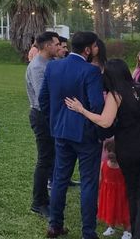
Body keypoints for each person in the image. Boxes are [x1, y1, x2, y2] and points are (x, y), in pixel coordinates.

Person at [65, 59, 140, 239]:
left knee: (134, 192)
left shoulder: (116, 95)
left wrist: (82, 110)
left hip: (130, 152)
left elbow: (105, 121)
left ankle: (138, 233)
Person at [39, 31, 104, 239]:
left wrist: (55, 121)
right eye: (94, 46)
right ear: (87, 49)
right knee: (88, 183)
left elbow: (44, 99)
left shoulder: (54, 66)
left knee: (59, 179)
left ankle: (55, 225)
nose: (96, 49)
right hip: (86, 135)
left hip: (61, 132)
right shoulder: (91, 71)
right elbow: (97, 105)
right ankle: (88, 232)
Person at [25, 31, 60, 218]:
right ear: (47, 46)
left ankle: (52, 195)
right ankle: (38, 202)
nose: (58, 46)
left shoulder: (50, 63)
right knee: (44, 159)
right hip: (42, 116)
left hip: (50, 115)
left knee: (52, 157)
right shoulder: (38, 66)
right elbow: (42, 97)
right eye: (56, 44)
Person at [98, 138, 131, 239]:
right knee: (110, 210)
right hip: (109, 193)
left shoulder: (125, 165)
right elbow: (100, 178)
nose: (110, 154)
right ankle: (111, 227)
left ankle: (127, 231)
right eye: (109, 151)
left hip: (121, 194)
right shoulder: (104, 164)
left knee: (124, 212)